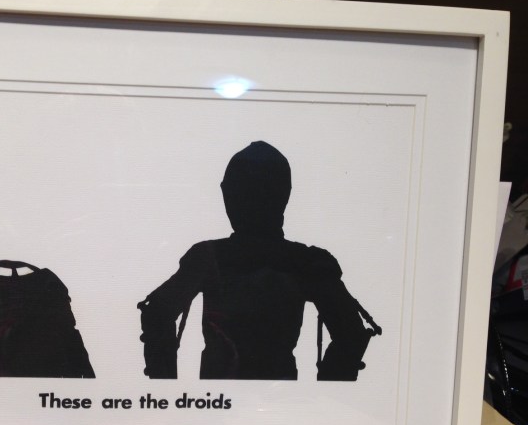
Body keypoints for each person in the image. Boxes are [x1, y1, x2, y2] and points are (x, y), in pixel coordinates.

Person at [138, 141, 381, 381]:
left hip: (220, 398)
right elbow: (350, 334)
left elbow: (157, 313)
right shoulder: (308, 263)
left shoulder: (207, 257)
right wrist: (326, 395)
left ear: (229, 195)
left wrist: (166, 390)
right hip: (279, 397)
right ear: (283, 194)